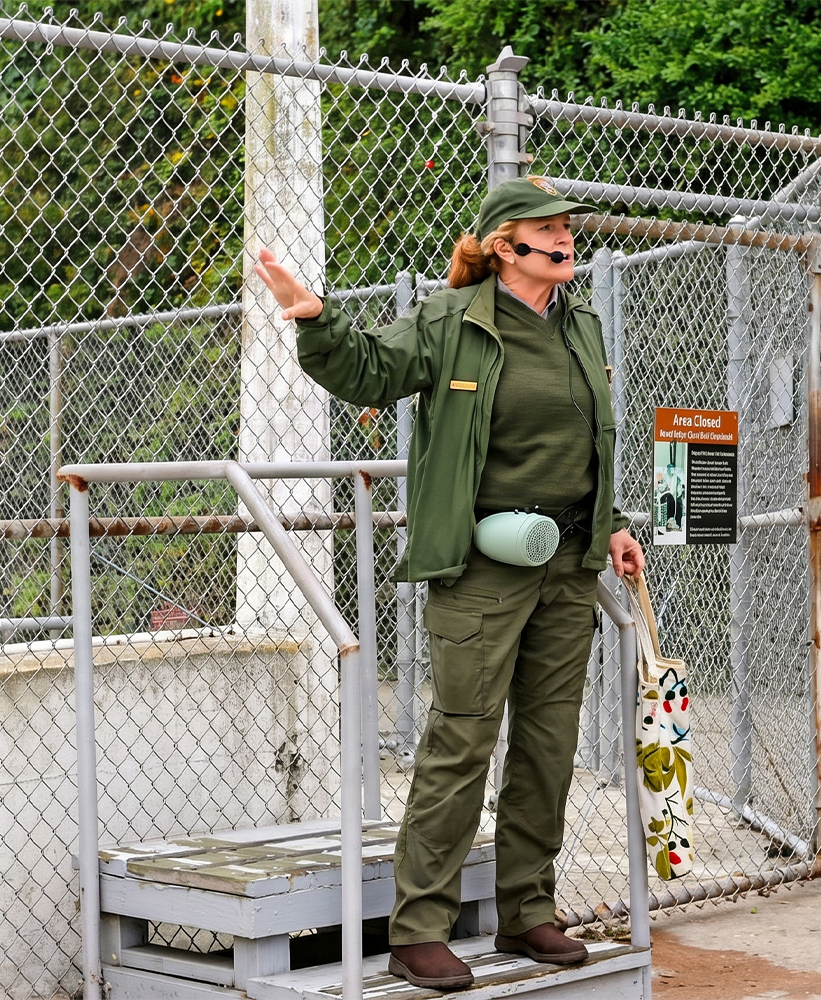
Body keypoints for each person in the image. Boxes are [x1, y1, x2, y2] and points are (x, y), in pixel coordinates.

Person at [254, 176, 645, 991]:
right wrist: (315, 319)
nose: (568, 239)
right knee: (461, 740)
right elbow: (367, 373)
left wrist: (610, 523)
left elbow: (587, 439)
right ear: (505, 247)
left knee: (549, 745)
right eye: (549, 231)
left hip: (569, 568)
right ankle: (419, 928)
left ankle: (529, 910)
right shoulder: (451, 321)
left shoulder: (582, 321)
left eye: (570, 227)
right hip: (483, 569)